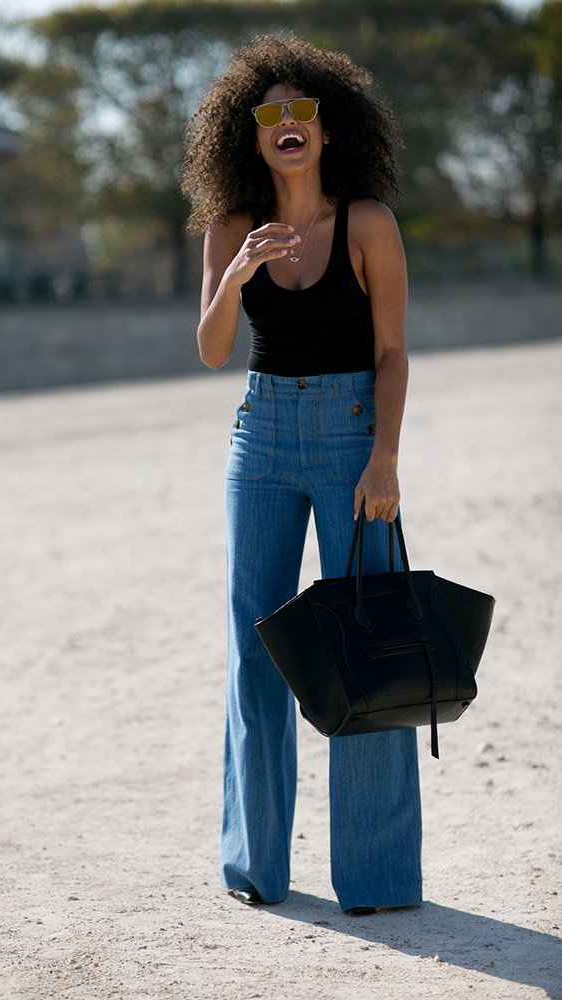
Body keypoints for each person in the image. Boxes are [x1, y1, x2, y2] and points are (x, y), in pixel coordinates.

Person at [182, 34, 422, 914]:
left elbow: (393, 352)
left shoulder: (367, 222)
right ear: (248, 136)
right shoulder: (229, 228)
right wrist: (237, 271)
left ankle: (378, 878)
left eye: (302, 112)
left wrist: (385, 459)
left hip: (353, 435)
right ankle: (256, 868)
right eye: (269, 114)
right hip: (260, 439)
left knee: (368, 643)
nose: (286, 125)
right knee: (256, 650)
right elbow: (211, 353)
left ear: (327, 129)